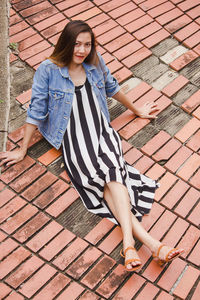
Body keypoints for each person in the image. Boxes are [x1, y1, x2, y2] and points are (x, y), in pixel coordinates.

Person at [0, 20, 184, 271]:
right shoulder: (48, 69)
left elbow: (112, 88)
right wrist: (22, 150)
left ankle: (131, 243)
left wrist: (136, 110)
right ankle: (152, 244)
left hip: (101, 131)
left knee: (112, 175)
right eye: (77, 43)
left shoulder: (95, 62)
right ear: (66, 43)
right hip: (73, 139)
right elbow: (36, 109)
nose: (82, 50)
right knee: (105, 180)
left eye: (87, 44)